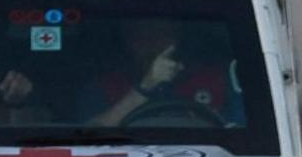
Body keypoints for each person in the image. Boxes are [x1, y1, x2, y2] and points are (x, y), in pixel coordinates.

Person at [82, 18, 234, 127]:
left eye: (162, 34)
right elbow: (89, 135)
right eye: (142, 36)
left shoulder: (216, 80)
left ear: (178, 38)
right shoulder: (105, 87)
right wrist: (145, 88)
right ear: (126, 40)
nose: (152, 44)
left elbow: (238, 130)